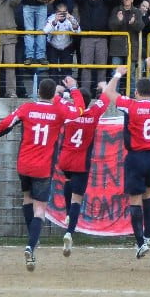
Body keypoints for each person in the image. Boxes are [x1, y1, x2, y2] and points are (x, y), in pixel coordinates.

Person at [0, 76, 85, 270]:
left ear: (38, 92)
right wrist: (73, 89)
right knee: (40, 210)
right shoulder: (58, 110)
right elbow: (79, 111)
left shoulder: (27, 108)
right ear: (53, 95)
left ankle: (32, 239)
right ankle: (31, 246)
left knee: (27, 199)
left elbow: (8, 122)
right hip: (42, 167)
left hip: (23, 165)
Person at [60, 73, 121, 257]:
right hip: (81, 161)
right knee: (77, 199)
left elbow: (57, 100)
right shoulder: (94, 113)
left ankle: (67, 212)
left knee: (67, 180)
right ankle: (69, 232)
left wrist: (66, 91)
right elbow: (107, 97)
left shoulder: (68, 112)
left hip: (65, 158)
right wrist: (114, 78)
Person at [113, 61, 150, 258]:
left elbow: (111, 94)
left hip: (136, 156)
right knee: (149, 195)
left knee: (134, 199)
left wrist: (117, 75)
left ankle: (140, 242)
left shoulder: (131, 106)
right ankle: (149, 235)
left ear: (136, 92)